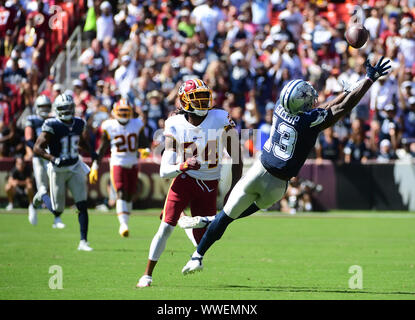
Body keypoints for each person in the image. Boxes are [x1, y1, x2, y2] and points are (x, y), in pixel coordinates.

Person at [178, 56, 391, 275]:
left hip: (259, 172)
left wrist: (347, 90)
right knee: (231, 215)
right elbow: (341, 108)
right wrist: (368, 80)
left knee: (227, 216)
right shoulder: (308, 123)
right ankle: (210, 222)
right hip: (277, 186)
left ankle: (198, 255)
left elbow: (328, 106)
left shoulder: (281, 108)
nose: (312, 101)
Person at [136, 79, 242, 287]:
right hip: (186, 178)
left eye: (204, 97)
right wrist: (184, 165)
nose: (202, 103)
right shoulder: (174, 123)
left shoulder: (220, 117)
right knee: (166, 227)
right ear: (185, 101)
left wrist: (233, 187)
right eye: (197, 98)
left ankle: (189, 224)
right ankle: (147, 275)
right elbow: (165, 170)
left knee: (209, 235)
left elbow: (236, 154)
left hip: (210, 182)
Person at [33, 94, 98, 251]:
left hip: (75, 166)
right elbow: (37, 148)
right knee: (57, 210)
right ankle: (41, 196)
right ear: (57, 110)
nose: (66, 111)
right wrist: (52, 158)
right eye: (63, 108)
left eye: (69, 108)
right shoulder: (52, 124)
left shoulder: (78, 123)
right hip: (58, 169)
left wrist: (92, 152)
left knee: (82, 204)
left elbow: (80, 142)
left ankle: (83, 241)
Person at [89, 99, 148, 237]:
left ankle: (125, 221)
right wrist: (95, 166)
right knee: (121, 191)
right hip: (117, 163)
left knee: (129, 194)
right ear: (114, 112)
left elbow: (144, 142)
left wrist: (145, 149)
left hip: (133, 163)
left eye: (126, 111)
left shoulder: (137, 123)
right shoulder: (109, 126)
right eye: (121, 111)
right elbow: (102, 149)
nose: (123, 114)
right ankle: (123, 225)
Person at [25, 95, 52, 225]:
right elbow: (28, 139)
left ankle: (56, 215)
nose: (45, 109)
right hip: (39, 157)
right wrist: (39, 150)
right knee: (42, 188)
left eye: (47, 106)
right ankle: (33, 206)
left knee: (54, 187)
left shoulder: (53, 120)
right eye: (42, 107)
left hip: (52, 157)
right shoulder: (32, 120)